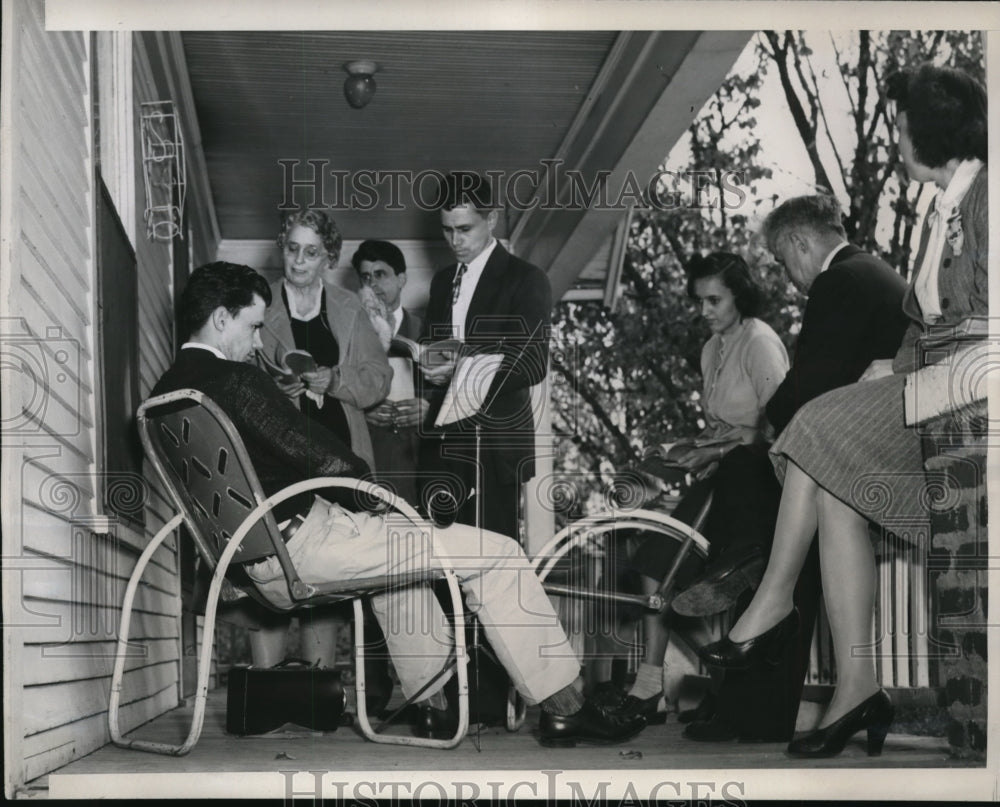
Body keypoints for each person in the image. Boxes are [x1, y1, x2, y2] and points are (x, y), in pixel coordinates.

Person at [152, 261, 646, 748]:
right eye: (254, 326)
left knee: (399, 569)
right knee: (498, 554)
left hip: (252, 568)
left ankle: (432, 709)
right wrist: (380, 497)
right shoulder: (239, 382)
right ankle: (567, 708)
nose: (259, 342)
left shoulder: (163, 398)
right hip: (307, 546)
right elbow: (319, 456)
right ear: (220, 319)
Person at [699, 62, 987, 758]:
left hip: (964, 403)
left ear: (931, 127)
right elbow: (922, 321)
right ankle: (857, 682)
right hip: (926, 395)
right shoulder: (941, 205)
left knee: (812, 429)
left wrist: (908, 368)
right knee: (830, 489)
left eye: (899, 124)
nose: (894, 139)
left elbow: (976, 323)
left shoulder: (983, 201)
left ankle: (771, 605)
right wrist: (902, 363)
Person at [671, 194, 909, 743]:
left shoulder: (840, 279)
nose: (786, 273)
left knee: (779, 465)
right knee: (803, 476)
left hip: (887, 446)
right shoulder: (869, 271)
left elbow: (811, 386)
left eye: (781, 259)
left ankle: (766, 597)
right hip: (869, 439)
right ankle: (854, 684)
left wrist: (763, 429)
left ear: (800, 242)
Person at [610, 253, 789, 723]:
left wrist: (718, 449)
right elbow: (720, 426)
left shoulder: (761, 343)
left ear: (740, 297)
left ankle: (655, 688)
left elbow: (782, 427)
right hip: (718, 480)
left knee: (668, 576)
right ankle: (708, 683)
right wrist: (683, 450)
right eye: (699, 300)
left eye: (715, 300)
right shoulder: (712, 348)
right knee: (656, 570)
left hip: (754, 485)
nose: (704, 310)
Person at [252, 209, 391, 671]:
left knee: (329, 572)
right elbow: (236, 380)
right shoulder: (256, 304)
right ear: (281, 246)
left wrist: (335, 380)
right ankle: (265, 691)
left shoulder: (351, 308)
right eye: (292, 249)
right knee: (271, 567)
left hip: (340, 457)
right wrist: (275, 392)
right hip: (277, 457)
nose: (298, 261)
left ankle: (317, 689)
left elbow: (379, 379)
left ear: (329, 257)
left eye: (311, 252)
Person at [419, 173, 552, 541]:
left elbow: (532, 362)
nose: (455, 241)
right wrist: (426, 364)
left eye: (465, 228)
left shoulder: (526, 279)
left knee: (493, 559)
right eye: (447, 230)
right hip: (444, 440)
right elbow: (430, 346)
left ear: (491, 219)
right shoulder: (442, 281)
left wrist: (463, 368)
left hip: (494, 443)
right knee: (442, 561)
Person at [352, 240, 425, 505]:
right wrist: (362, 412)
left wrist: (427, 408)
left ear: (402, 278)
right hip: (371, 460)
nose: (372, 284)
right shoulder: (350, 336)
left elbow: (446, 396)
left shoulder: (426, 331)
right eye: (365, 277)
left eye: (380, 274)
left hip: (417, 462)